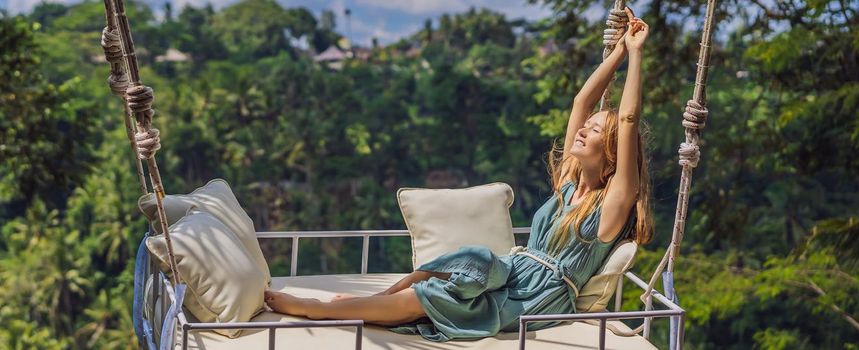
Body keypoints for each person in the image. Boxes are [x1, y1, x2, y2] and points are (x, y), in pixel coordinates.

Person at [265, 9, 653, 342]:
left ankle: (318, 310)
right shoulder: (569, 184)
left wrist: (635, 55)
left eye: (596, 131)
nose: (584, 128)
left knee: (435, 298)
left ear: (612, 157)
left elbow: (631, 119)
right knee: (471, 259)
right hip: (514, 269)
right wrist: (617, 51)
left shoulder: (612, 205)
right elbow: (580, 102)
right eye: (587, 126)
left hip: (538, 295)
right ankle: (377, 299)